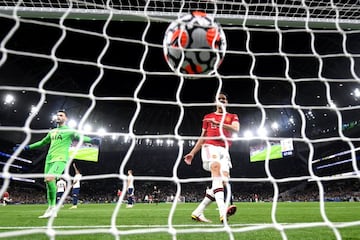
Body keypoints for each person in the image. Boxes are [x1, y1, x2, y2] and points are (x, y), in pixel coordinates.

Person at [13, 109, 100, 218]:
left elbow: (80, 137)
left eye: (61, 115)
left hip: (61, 159)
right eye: (57, 115)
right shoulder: (52, 132)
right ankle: (50, 208)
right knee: (48, 183)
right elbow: (42, 142)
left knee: (50, 178)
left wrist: (91, 140)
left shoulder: (69, 131)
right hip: (49, 159)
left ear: (65, 118)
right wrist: (26, 147)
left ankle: (54, 208)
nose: (58, 117)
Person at [184, 92, 239, 223]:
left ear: (227, 102)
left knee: (223, 179)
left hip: (224, 150)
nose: (221, 101)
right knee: (216, 168)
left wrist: (219, 124)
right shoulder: (208, 117)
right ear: (215, 102)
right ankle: (222, 212)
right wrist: (192, 152)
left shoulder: (232, 116)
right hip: (210, 146)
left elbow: (236, 129)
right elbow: (203, 137)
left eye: (223, 99)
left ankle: (197, 212)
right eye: (219, 99)